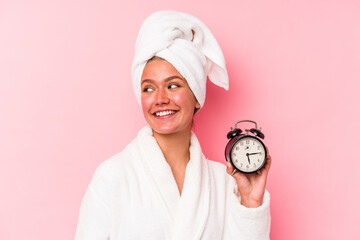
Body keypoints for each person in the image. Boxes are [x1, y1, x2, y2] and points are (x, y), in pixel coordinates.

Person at [75, 10, 271, 240]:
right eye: (148, 88)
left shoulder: (224, 182)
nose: (160, 99)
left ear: (196, 96)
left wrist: (250, 202)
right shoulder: (113, 176)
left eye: (173, 85)